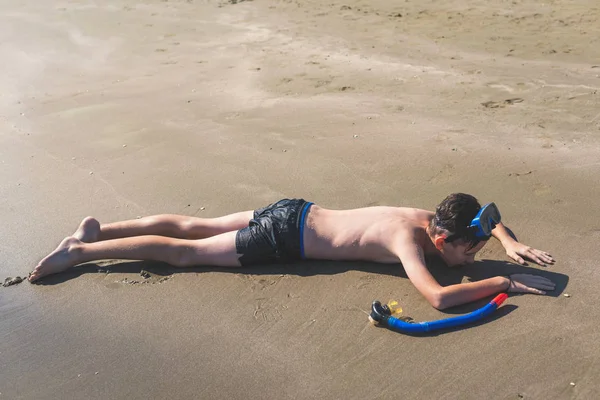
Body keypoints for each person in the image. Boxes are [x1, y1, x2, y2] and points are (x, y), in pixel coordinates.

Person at [28, 194, 555, 309]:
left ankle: (101, 229)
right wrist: (501, 283)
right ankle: (81, 251)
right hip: (283, 239)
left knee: (195, 223)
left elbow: (486, 218)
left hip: (294, 209)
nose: (472, 260)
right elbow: (439, 299)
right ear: (442, 238)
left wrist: (509, 240)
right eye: (470, 252)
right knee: (187, 253)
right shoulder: (407, 241)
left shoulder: (425, 216)